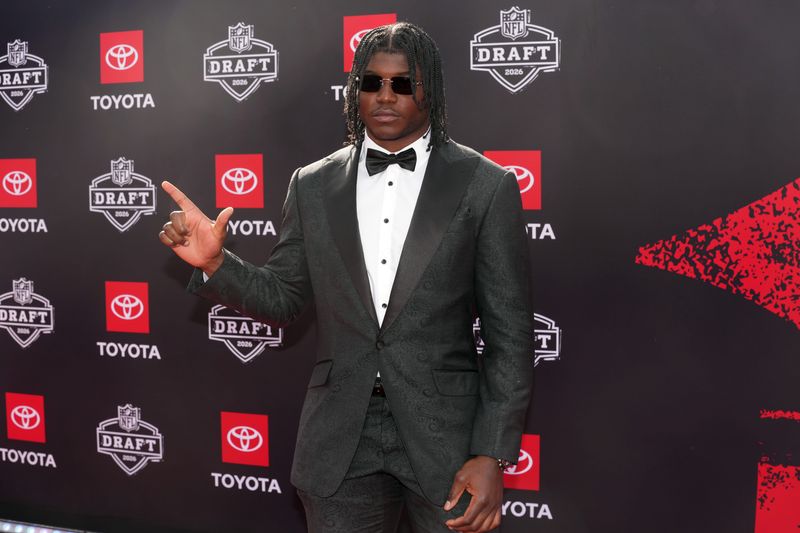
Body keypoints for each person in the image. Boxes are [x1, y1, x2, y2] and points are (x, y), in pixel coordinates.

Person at [159, 22, 533, 533]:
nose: (384, 96)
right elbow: (285, 297)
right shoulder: (312, 184)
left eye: (403, 84)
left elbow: (510, 336)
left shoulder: (486, 186)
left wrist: (492, 453)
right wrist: (215, 264)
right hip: (339, 438)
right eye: (371, 82)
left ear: (432, 91)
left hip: (446, 440)